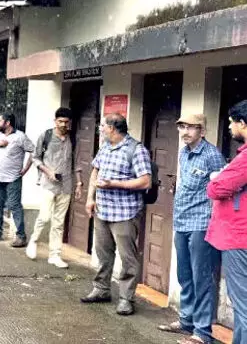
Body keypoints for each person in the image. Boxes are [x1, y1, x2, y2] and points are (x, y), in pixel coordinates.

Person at [155, 114, 225, 344]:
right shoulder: (184, 152)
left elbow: (222, 188)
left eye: (191, 128)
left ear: (202, 131)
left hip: (202, 224)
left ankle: (202, 333)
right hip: (182, 220)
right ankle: (186, 321)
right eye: (182, 127)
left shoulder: (212, 155)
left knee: (201, 277)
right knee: (184, 274)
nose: (185, 131)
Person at [81, 113, 152, 316]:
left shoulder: (136, 150)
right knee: (103, 253)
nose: (100, 128)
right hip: (103, 210)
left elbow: (145, 181)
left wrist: (114, 184)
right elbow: (95, 171)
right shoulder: (105, 147)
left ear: (112, 128)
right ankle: (101, 289)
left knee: (127, 258)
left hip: (125, 213)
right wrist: (90, 198)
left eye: (102, 125)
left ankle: (126, 299)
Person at [205, 100, 247, 344]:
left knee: (242, 303)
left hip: (239, 238)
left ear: (243, 123)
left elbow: (216, 188)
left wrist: (216, 178)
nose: (230, 128)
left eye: (232, 122)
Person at [26, 107, 83, 269]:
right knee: (44, 217)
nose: (63, 125)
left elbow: (77, 164)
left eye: (66, 122)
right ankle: (34, 240)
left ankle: (55, 255)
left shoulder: (73, 139)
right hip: (48, 184)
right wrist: (48, 171)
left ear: (69, 122)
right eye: (60, 121)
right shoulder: (46, 136)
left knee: (58, 222)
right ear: (55, 121)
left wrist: (79, 184)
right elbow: (35, 158)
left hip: (66, 185)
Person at [0, 112, 35, 248]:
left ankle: (21, 236)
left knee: (14, 206)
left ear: (7, 123)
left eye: (0, 121)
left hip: (13, 178)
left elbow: (33, 152)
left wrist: (25, 169)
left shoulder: (20, 137)